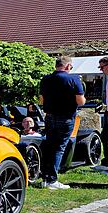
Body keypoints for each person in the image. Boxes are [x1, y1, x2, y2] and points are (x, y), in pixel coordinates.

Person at [39, 56, 85, 189]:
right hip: (65, 117)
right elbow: (80, 101)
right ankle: (52, 180)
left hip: (49, 116)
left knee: (49, 146)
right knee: (59, 148)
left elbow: (41, 100)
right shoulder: (73, 79)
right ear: (67, 66)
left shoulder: (46, 79)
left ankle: (45, 178)